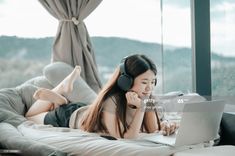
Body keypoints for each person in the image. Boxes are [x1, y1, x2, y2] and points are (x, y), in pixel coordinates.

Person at [25, 54, 177, 139]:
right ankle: (61, 90)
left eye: (153, 81)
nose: (149, 87)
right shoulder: (112, 101)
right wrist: (141, 109)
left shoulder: (146, 97)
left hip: (85, 110)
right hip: (68, 116)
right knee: (30, 116)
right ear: (126, 80)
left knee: (60, 106)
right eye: (144, 82)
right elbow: (127, 138)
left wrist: (164, 125)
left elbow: (153, 130)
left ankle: (61, 100)